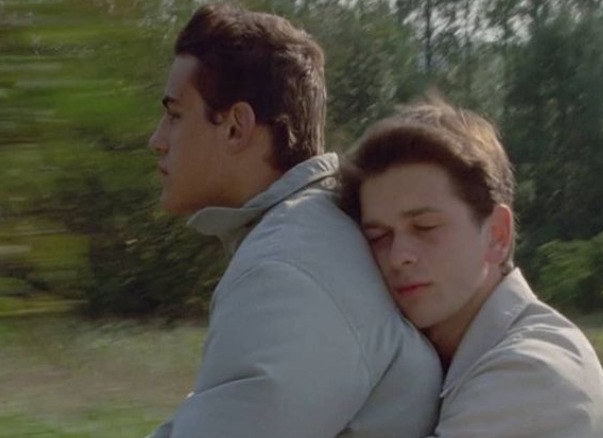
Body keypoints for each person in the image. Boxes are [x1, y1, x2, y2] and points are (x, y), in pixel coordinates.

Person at [146, 4, 441, 438]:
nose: (157, 141)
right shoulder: (319, 229)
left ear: (235, 127)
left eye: (174, 115)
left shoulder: (286, 269)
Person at [340, 95, 603, 437]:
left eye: (426, 227)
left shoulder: (530, 372)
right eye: (377, 236)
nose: (398, 255)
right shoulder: (454, 358)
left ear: (497, 235)